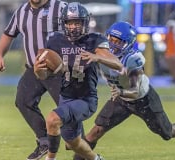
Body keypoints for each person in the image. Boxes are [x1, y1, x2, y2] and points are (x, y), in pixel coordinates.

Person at [73, 21, 175, 160]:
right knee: (96, 131)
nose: (113, 44)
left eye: (118, 42)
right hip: (121, 99)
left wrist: (121, 93)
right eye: (111, 39)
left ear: (128, 44)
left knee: (168, 132)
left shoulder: (132, 59)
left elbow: (135, 91)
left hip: (143, 100)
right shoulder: (100, 52)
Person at [33, 2, 123, 160]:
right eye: (70, 22)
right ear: (64, 23)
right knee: (72, 143)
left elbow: (117, 63)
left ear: (85, 23)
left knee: (52, 119)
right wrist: (38, 70)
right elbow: (44, 76)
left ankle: (50, 158)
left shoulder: (94, 40)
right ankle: (96, 158)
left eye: (77, 22)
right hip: (65, 98)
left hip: (85, 99)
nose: (73, 27)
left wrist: (97, 57)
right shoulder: (55, 41)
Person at [0, 0, 67, 159]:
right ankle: (44, 141)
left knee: (68, 107)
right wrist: (0, 56)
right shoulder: (21, 12)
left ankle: (79, 144)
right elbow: (8, 34)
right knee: (23, 100)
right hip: (33, 69)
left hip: (58, 71)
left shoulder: (61, 7)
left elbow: (77, 32)